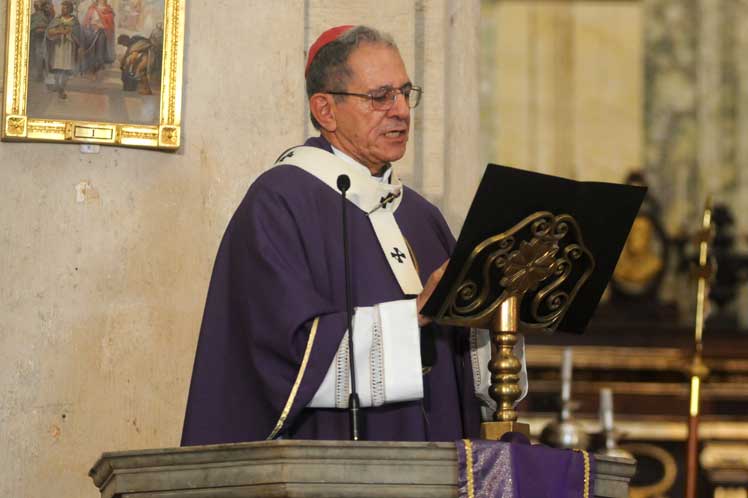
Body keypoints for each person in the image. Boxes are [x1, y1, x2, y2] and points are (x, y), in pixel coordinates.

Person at [181, 26, 510, 445]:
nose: (401, 111)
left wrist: (497, 319)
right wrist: (415, 317)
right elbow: (278, 358)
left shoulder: (422, 217)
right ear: (326, 110)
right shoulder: (280, 203)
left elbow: (465, 367)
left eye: (406, 93)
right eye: (380, 97)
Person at [44, 1, 80, 99]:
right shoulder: (57, 19)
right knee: (57, 67)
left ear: (69, 9)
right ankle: (57, 84)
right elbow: (48, 32)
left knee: (66, 69)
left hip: (68, 48)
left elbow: (78, 35)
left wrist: (70, 32)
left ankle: (62, 88)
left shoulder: (75, 21)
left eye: (65, 8)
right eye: (62, 8)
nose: (62, 10)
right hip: (58, 47)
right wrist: (58, 31)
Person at [80, 0, 115, 77]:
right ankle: (89, 69)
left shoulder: (108, 10)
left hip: (101, 33)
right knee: (90, 52)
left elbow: (110, 25)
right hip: (90, 33)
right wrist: (90, 26)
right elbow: (85, 22)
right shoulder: (92, 9)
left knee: (99, 52)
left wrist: (102, 27)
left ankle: (96, 69)